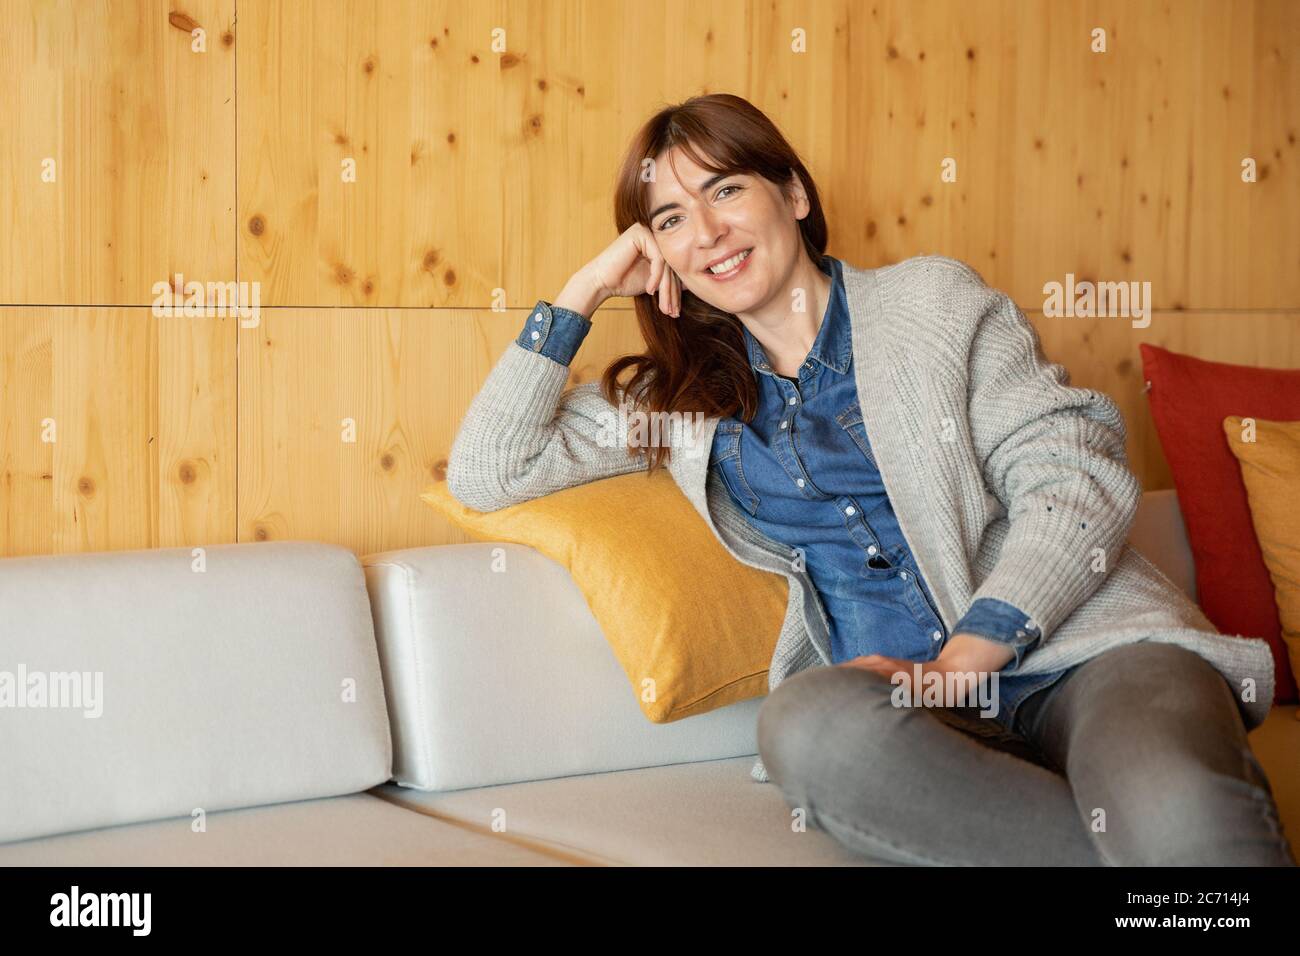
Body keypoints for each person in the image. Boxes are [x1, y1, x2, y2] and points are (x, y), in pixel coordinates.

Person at [447, 92, 1294, 866]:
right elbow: (489, 472)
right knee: (806, 729)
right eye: (670, 218)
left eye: (727, 191)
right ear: (655, 252)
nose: (704, 232)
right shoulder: (678, 400)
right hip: (905, 714)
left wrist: (971, 654)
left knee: (1179, 815)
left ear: (794, 194)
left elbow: (1077, 477)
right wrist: (580, 294)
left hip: (1089, 651)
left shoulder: (933, 303)